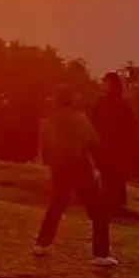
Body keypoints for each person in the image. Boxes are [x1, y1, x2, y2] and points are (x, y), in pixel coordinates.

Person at [33, 88, 114, 266]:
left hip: (59, 166)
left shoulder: (47, 122)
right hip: (80, 165)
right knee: (98, 210)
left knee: (57, 204)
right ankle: (100, 254)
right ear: (71, 101)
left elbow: (44, 150)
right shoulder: (80, 118)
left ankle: (42, 243)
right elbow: (95, 140)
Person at [91, 72, 138, 217]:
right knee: (107, 175)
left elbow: (129, 130)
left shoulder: (121, 106)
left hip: (116, 148)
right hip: (106, 147)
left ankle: (114, 205)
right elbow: (93, 123)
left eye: (106, 83)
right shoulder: (102, 104)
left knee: (114, 176)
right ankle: (108, 204)